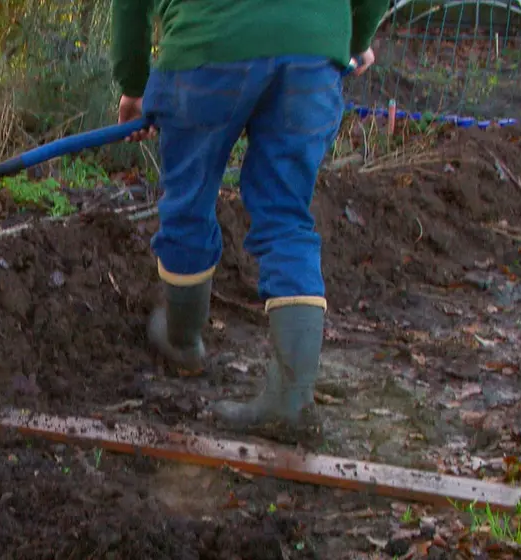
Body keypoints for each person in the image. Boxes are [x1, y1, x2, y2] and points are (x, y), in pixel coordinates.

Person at [111, 0, 389, 443]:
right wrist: (352, 41)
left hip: (206, 47)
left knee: (189, 199)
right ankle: (292, 400)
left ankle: (182, 342)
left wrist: (134, 83)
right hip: (312, 53)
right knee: (286, 215)